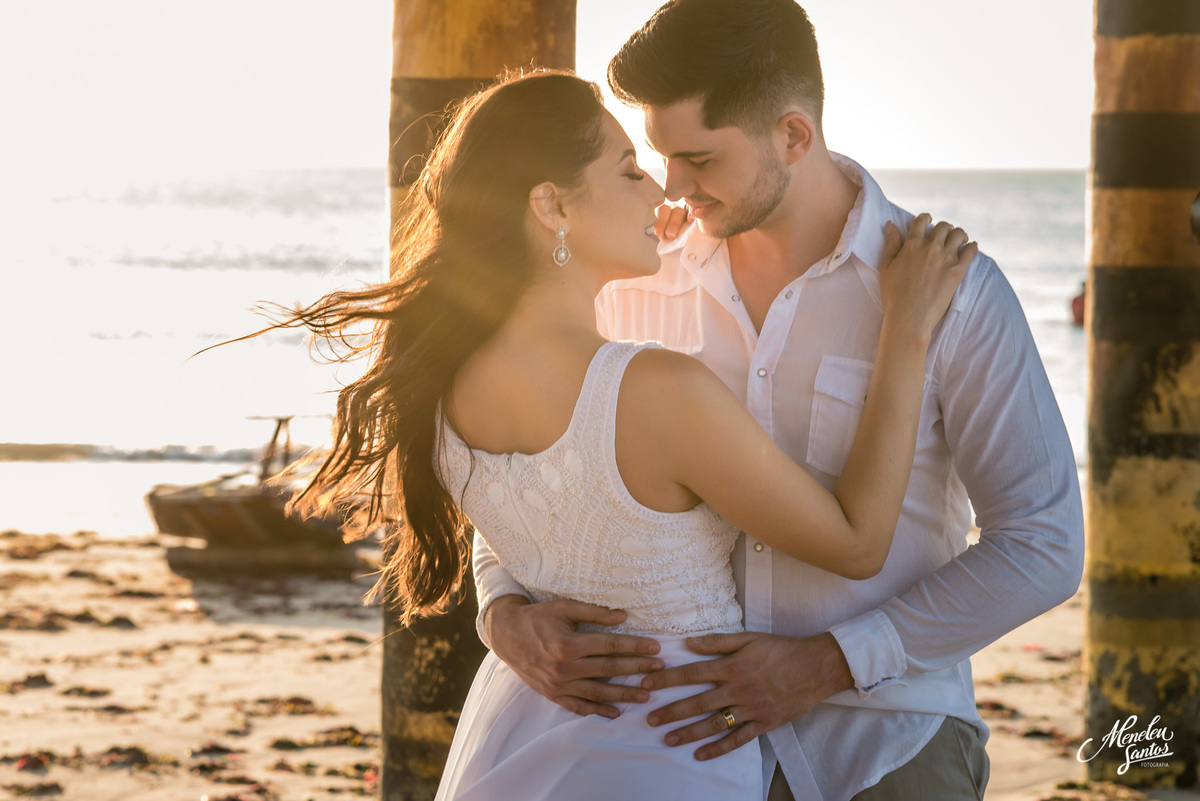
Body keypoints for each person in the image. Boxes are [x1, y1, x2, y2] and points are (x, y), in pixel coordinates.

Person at [264, 69, 970, 799]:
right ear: (550, 205)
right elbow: (856, 541)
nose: (661, 194)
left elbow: (534, 519)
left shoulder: (441, 386)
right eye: (630, 170)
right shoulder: (658, 392)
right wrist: (908, 332)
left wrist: (501, 614)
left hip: (516, 737)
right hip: (664, 755)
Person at [472, 2, 1086, 800]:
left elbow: (1042, 542)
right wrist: (503, 612)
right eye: (658, 157)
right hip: (667, 747)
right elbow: (549, 482)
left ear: (793, 136)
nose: (672, 186)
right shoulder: (634, 285)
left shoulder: (952, 294)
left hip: (885, 738)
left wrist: (830, 661)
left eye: (697, 158)